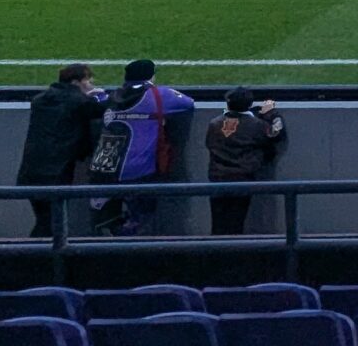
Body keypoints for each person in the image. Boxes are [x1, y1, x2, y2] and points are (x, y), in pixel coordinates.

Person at [91, 59, 195, 236]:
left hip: (104, 168)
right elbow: (188, 103)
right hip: (139, 170)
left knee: (105, 222)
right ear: (151, 76)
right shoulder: (160, 95)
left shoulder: (111, 96)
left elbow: (96, 102)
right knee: (140, 221)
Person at [17, 62, 104, 237]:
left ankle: (37, 251)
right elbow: (99, 109)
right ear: (76, 82)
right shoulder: (79, 102)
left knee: (45, 219)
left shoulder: (41, 100)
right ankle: (33, 253)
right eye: (88, 80)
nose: (91, 84)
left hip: (31, 171)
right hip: (56, 173)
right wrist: (95, 97)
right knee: (50, 223)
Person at [204, 88, 287, 235]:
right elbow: (276, 132)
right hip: (242, 179)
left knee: (218, 222)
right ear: (249, 104)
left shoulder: (214, 124)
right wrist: (272, 113)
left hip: (217, 179)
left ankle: (216, 248)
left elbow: (209, 144)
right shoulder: (256, 125)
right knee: (236, 221)